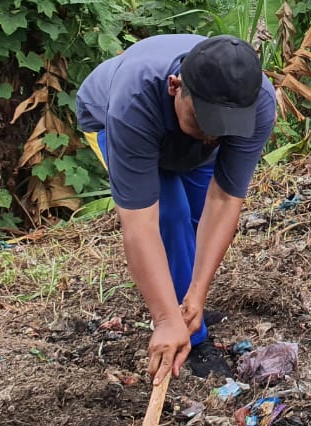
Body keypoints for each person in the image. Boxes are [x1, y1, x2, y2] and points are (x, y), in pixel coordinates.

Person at [76, 34, 277, 380]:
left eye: (223, 129)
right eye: (206, 123)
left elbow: (226, 199)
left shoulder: (256, 101)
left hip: (184, 137)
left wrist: (197, 292)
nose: (214, 137)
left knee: (199, 214)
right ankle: (191, 339)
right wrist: (166, 320)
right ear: (175, 86)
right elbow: (140, 226)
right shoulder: (132, 103)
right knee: (172, 215)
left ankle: (188, 306)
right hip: (114, 120)